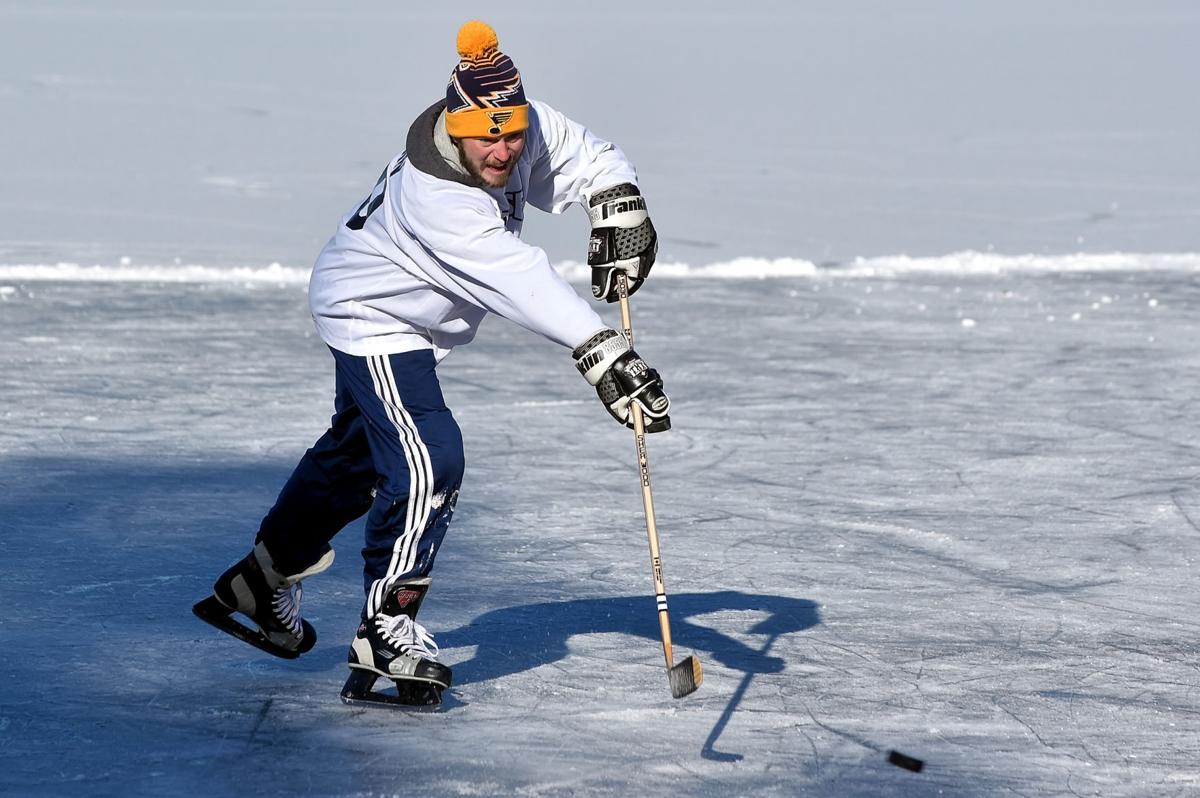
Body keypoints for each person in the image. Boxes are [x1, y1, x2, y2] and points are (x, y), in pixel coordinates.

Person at [193, 20, 670, 707]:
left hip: (394, 313)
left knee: (358, 458)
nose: (505, 151)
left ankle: (260, 582)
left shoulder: (520, 124)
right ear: (456, 124)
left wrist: (620, 203)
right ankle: (387, 628)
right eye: (489, 137)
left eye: (513, 134)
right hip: (375, 316)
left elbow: (588, 154)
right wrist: (602, 353)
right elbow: (519, 279)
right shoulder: (439, 197)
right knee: (429, 461)